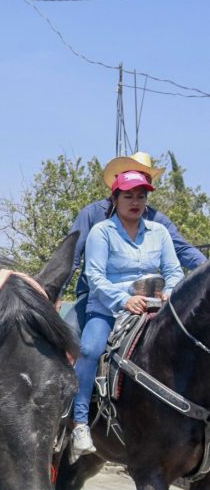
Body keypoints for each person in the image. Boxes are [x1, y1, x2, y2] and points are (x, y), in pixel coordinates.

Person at [71, 169, 184, 460]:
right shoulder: (102, 232)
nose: (135, 201)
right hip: (109, 308)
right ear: (115, 198)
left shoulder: (158, 232)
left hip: (155, 306)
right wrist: (124, 300)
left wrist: (170, 291)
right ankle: (80, 423)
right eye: (129, 195)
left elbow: (174, 270)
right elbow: (95, 277)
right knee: (89, 349)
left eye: (141, 196)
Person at [69, 152, 205, 332]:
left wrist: (206, 269)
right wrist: (52, 293)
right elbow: (71, 258)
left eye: (145, 182)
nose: (136, 200)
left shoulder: (158, 222)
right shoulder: (93, 214)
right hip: (98, 295)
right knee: (72, 343)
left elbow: (183, 251)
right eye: (129, 193)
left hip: (150, 298)